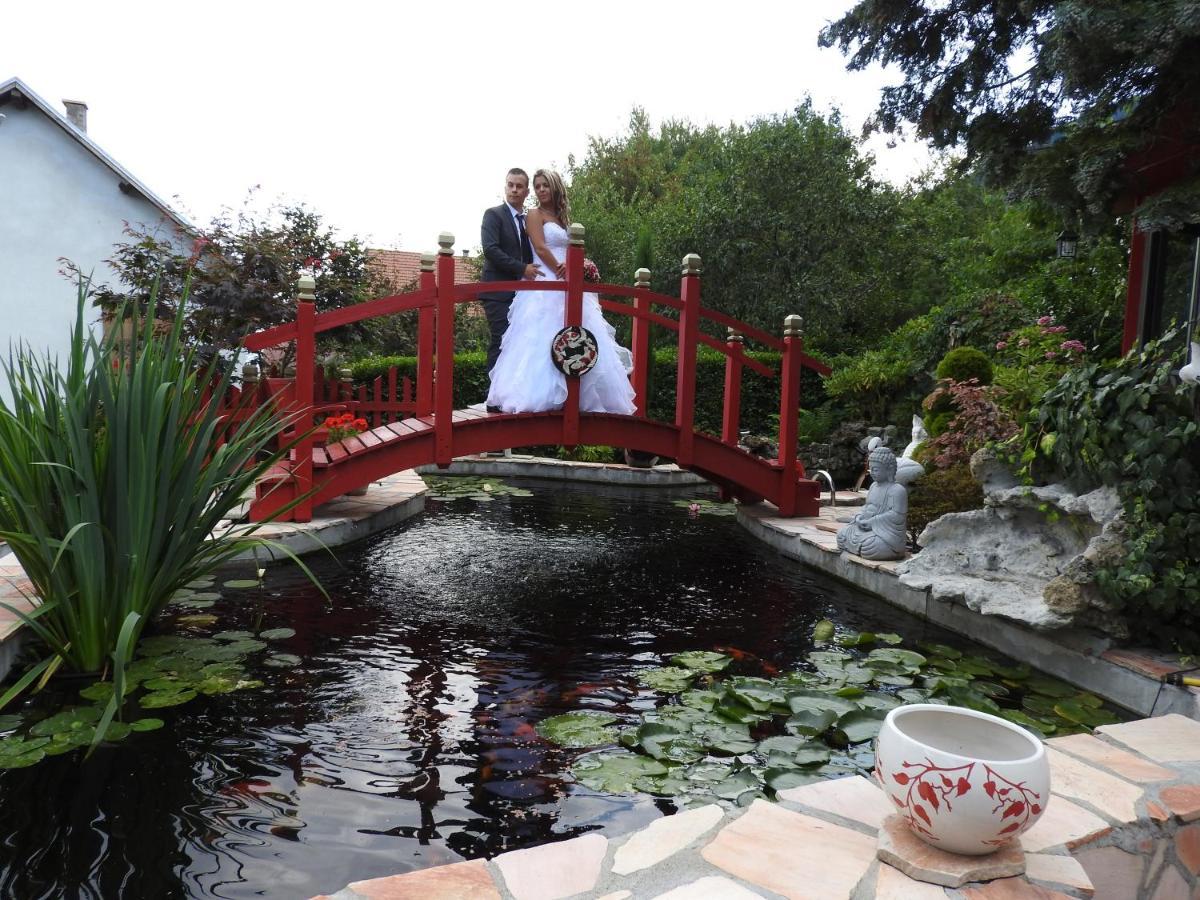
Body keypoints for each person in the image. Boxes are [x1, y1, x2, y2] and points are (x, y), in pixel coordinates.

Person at [485, 170, 635, 415]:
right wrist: (561, 271)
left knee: (577, 333)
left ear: (555, 187)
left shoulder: (563, 219)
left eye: (545, 185)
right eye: (538, 186)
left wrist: (581, 266)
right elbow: (541, 247)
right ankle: (542, 396)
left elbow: (568, 249)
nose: (541, 190)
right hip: (545, 279)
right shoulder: (533, 214)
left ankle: (578, 395)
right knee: (539, 338)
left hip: (567, 282)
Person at [480, 169, 538, 382]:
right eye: (510, 185)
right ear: (505, 187)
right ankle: (493, 397)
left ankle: (512, 394)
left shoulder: (529, 220)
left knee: (523, 345)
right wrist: (522, 268)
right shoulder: (493, 215)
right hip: (497, 292)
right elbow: (491, 250)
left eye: (519, 186)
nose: (514, 190)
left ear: (526, 191)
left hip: (524, 295)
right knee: (502, 340)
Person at [836, 445, 908, 560]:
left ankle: (891, 550)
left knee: (870, 547)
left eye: (876, 469)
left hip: (884, 534)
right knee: (842, 535)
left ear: (889, 469)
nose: (872, 472)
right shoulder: (874, 486)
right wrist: (860, 516)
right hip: (867, 528)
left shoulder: (897, 490)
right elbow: (867, 506)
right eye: (871, 468)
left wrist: (872, 522)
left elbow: (897, 516)